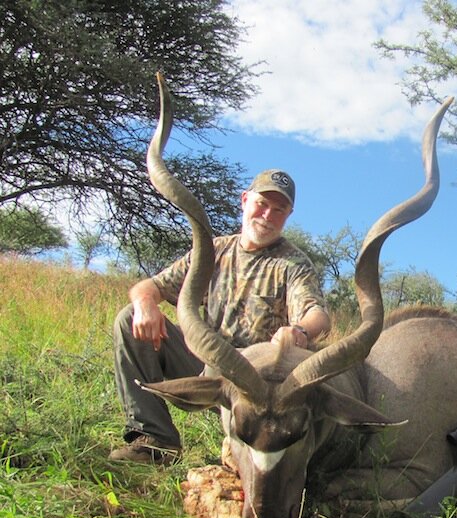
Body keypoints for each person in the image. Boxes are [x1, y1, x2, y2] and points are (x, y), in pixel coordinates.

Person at [109, 169, 331, 465]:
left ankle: (245, 449)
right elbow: (149, 287)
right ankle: (155, 443)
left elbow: (317, 314)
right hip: (205, 366)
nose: (267, 215)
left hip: (255, 388)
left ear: (288, 214)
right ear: (244, 200)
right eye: (262, 204)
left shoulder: (292, 263)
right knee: (128, 318)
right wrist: (146, 303)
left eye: (279, 210)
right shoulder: (213, 251)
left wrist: (300, 331)